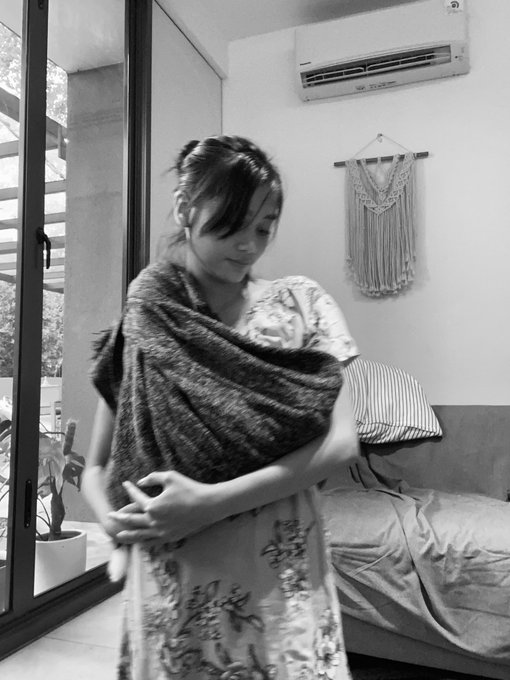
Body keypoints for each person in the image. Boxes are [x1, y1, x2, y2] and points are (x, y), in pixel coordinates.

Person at [83, 135, 360, 680]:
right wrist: (120, 523)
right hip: (175, 594)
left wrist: (209, 503)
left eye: (264, 228)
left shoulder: (303, 303)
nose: (249, 246)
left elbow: (343, 443)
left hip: (279, 594)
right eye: (232, 225)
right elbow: (96, 467)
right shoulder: (149, 317)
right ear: (185, 208)